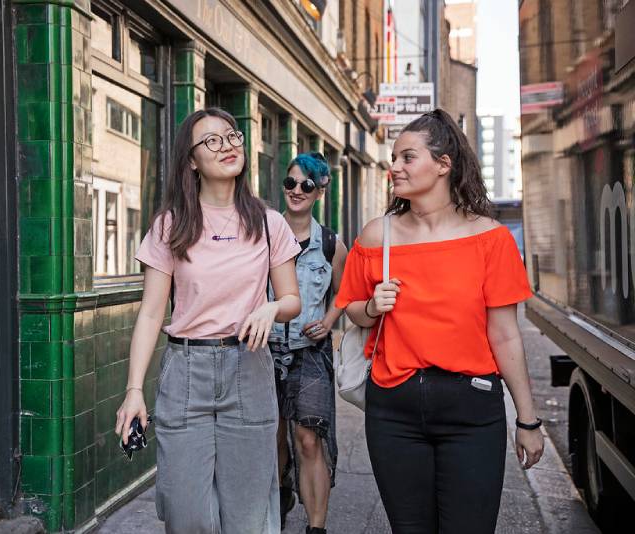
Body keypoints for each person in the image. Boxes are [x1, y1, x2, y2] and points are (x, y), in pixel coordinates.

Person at [335, 109, 545, 533]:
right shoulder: (378, 236)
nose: (394, 167)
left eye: (407, 158)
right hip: (393, 413)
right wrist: (373, 307)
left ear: (443, 164)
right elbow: (352, 309)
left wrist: (527, 419)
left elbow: (505, 336)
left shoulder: (490, 239)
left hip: (472, 409)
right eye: (394, 157)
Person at [114, 107, 302, 534]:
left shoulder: (269, 223)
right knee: (187, 515)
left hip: (248, 369)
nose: (228, 145)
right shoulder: (171, 225)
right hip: (185, 374)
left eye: (232, 136)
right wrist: (133, 390)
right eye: (212, 141)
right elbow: (149, 312)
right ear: (191, 161)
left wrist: (271, 308)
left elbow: (292, 300)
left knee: (248, 517)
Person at [268, 153, 347, 534]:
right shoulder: (262, 235)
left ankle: (316, 527)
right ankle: (282, 488)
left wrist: (328, 322)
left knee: (308, 438)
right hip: (262, 350)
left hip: (309, 353)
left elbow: (343, 294)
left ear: (320, 192)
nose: (296, 191)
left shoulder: (331, 244)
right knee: (272, 435)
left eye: (306, 186)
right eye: (290, 183)